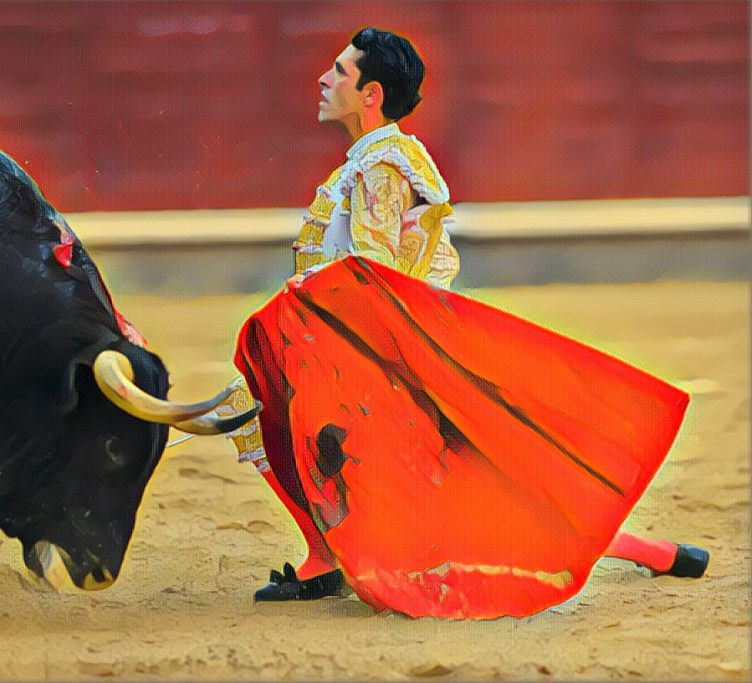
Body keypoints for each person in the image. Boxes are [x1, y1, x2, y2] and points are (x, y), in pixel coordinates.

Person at [216, 27, 709, 604]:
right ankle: (324, 556)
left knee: (489, 498)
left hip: (376, 354)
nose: (324, 80)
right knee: (491, 485)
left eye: (340, 72)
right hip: (371, 345)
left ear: (370, 94)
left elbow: (371, 275)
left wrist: (307, 289)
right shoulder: (379, 159)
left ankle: (326, 557)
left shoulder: (382, 168)